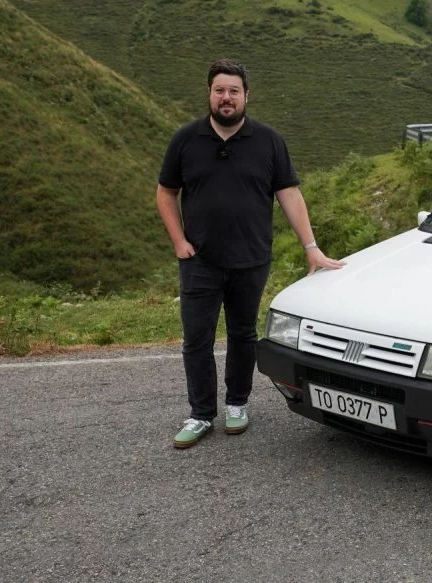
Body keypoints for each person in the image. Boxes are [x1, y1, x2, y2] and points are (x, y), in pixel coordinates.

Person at [155, 59, 345, 449]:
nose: (226, 98)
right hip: (200, 261)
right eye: (219, 90)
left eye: (234, 91)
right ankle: (201, 414)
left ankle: (237, 404)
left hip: (251, 259)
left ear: (246, 96)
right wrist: (179, 241)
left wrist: (311, 248)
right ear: (209, 93)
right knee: (197, 340)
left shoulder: (269, 141)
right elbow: (166, 192)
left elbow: (289, 193)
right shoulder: (186, 139)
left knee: (243, 335)